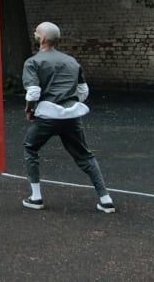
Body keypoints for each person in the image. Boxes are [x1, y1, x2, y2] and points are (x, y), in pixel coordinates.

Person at [21, 21, 115, 213]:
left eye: (37, 33)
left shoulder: (33, 62)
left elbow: (33, 92)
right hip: (71, 116)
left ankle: (36, 197)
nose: (36, 34)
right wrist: (70, 103)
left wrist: (29, 111)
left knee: (31, 148)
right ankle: (106, 199)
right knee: (85, 156)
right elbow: (83, 90)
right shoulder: (72, 61)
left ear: (43, 39)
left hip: (47, 116)